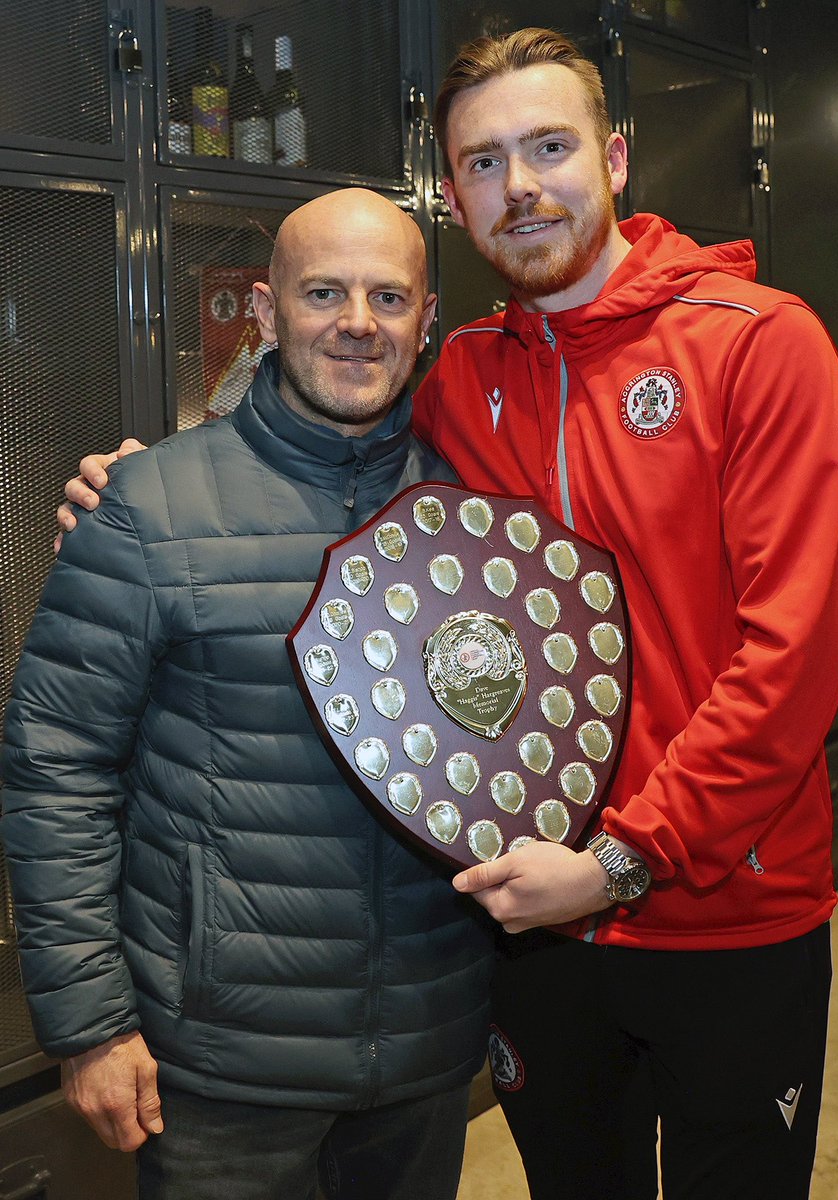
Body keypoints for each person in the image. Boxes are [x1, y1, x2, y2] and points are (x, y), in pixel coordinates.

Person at [52, 26, 838, 1200]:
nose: (518, 185)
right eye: (483, 161)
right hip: (527, 922)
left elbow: (794, 660)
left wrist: (626, 858)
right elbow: (316, 447)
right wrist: (151, 486)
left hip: (720, 908)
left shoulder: (757, 344)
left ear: (616, 159)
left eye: (548, 147)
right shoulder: (466, 378)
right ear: (455, 192)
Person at [1, 187, 495, 1200]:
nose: (357, 323)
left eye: (386, 298)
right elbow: (56, 769)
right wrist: (91, 1024)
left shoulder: (469, 524)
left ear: (425, 323)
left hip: (423, 1053)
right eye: (323, 293)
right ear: (266, 315)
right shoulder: (148, 507)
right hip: (222, 1065)